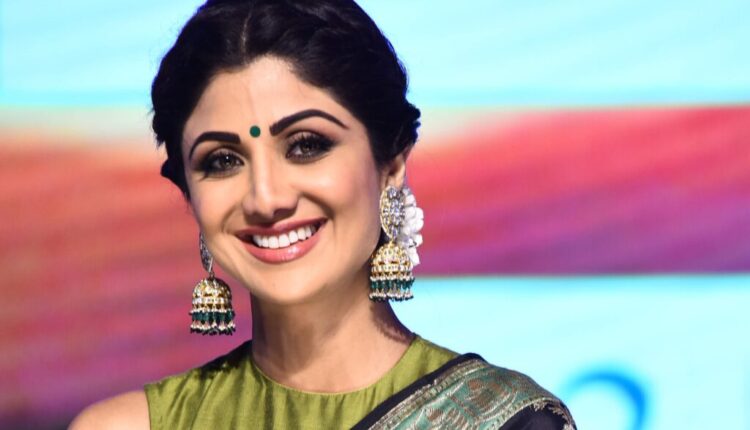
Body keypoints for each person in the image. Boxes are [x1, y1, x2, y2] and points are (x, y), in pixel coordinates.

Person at [71, 0, 576, 428]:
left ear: (391, 166)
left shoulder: (503, 420)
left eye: (306, 145)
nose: (266, 199)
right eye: (222, 161)